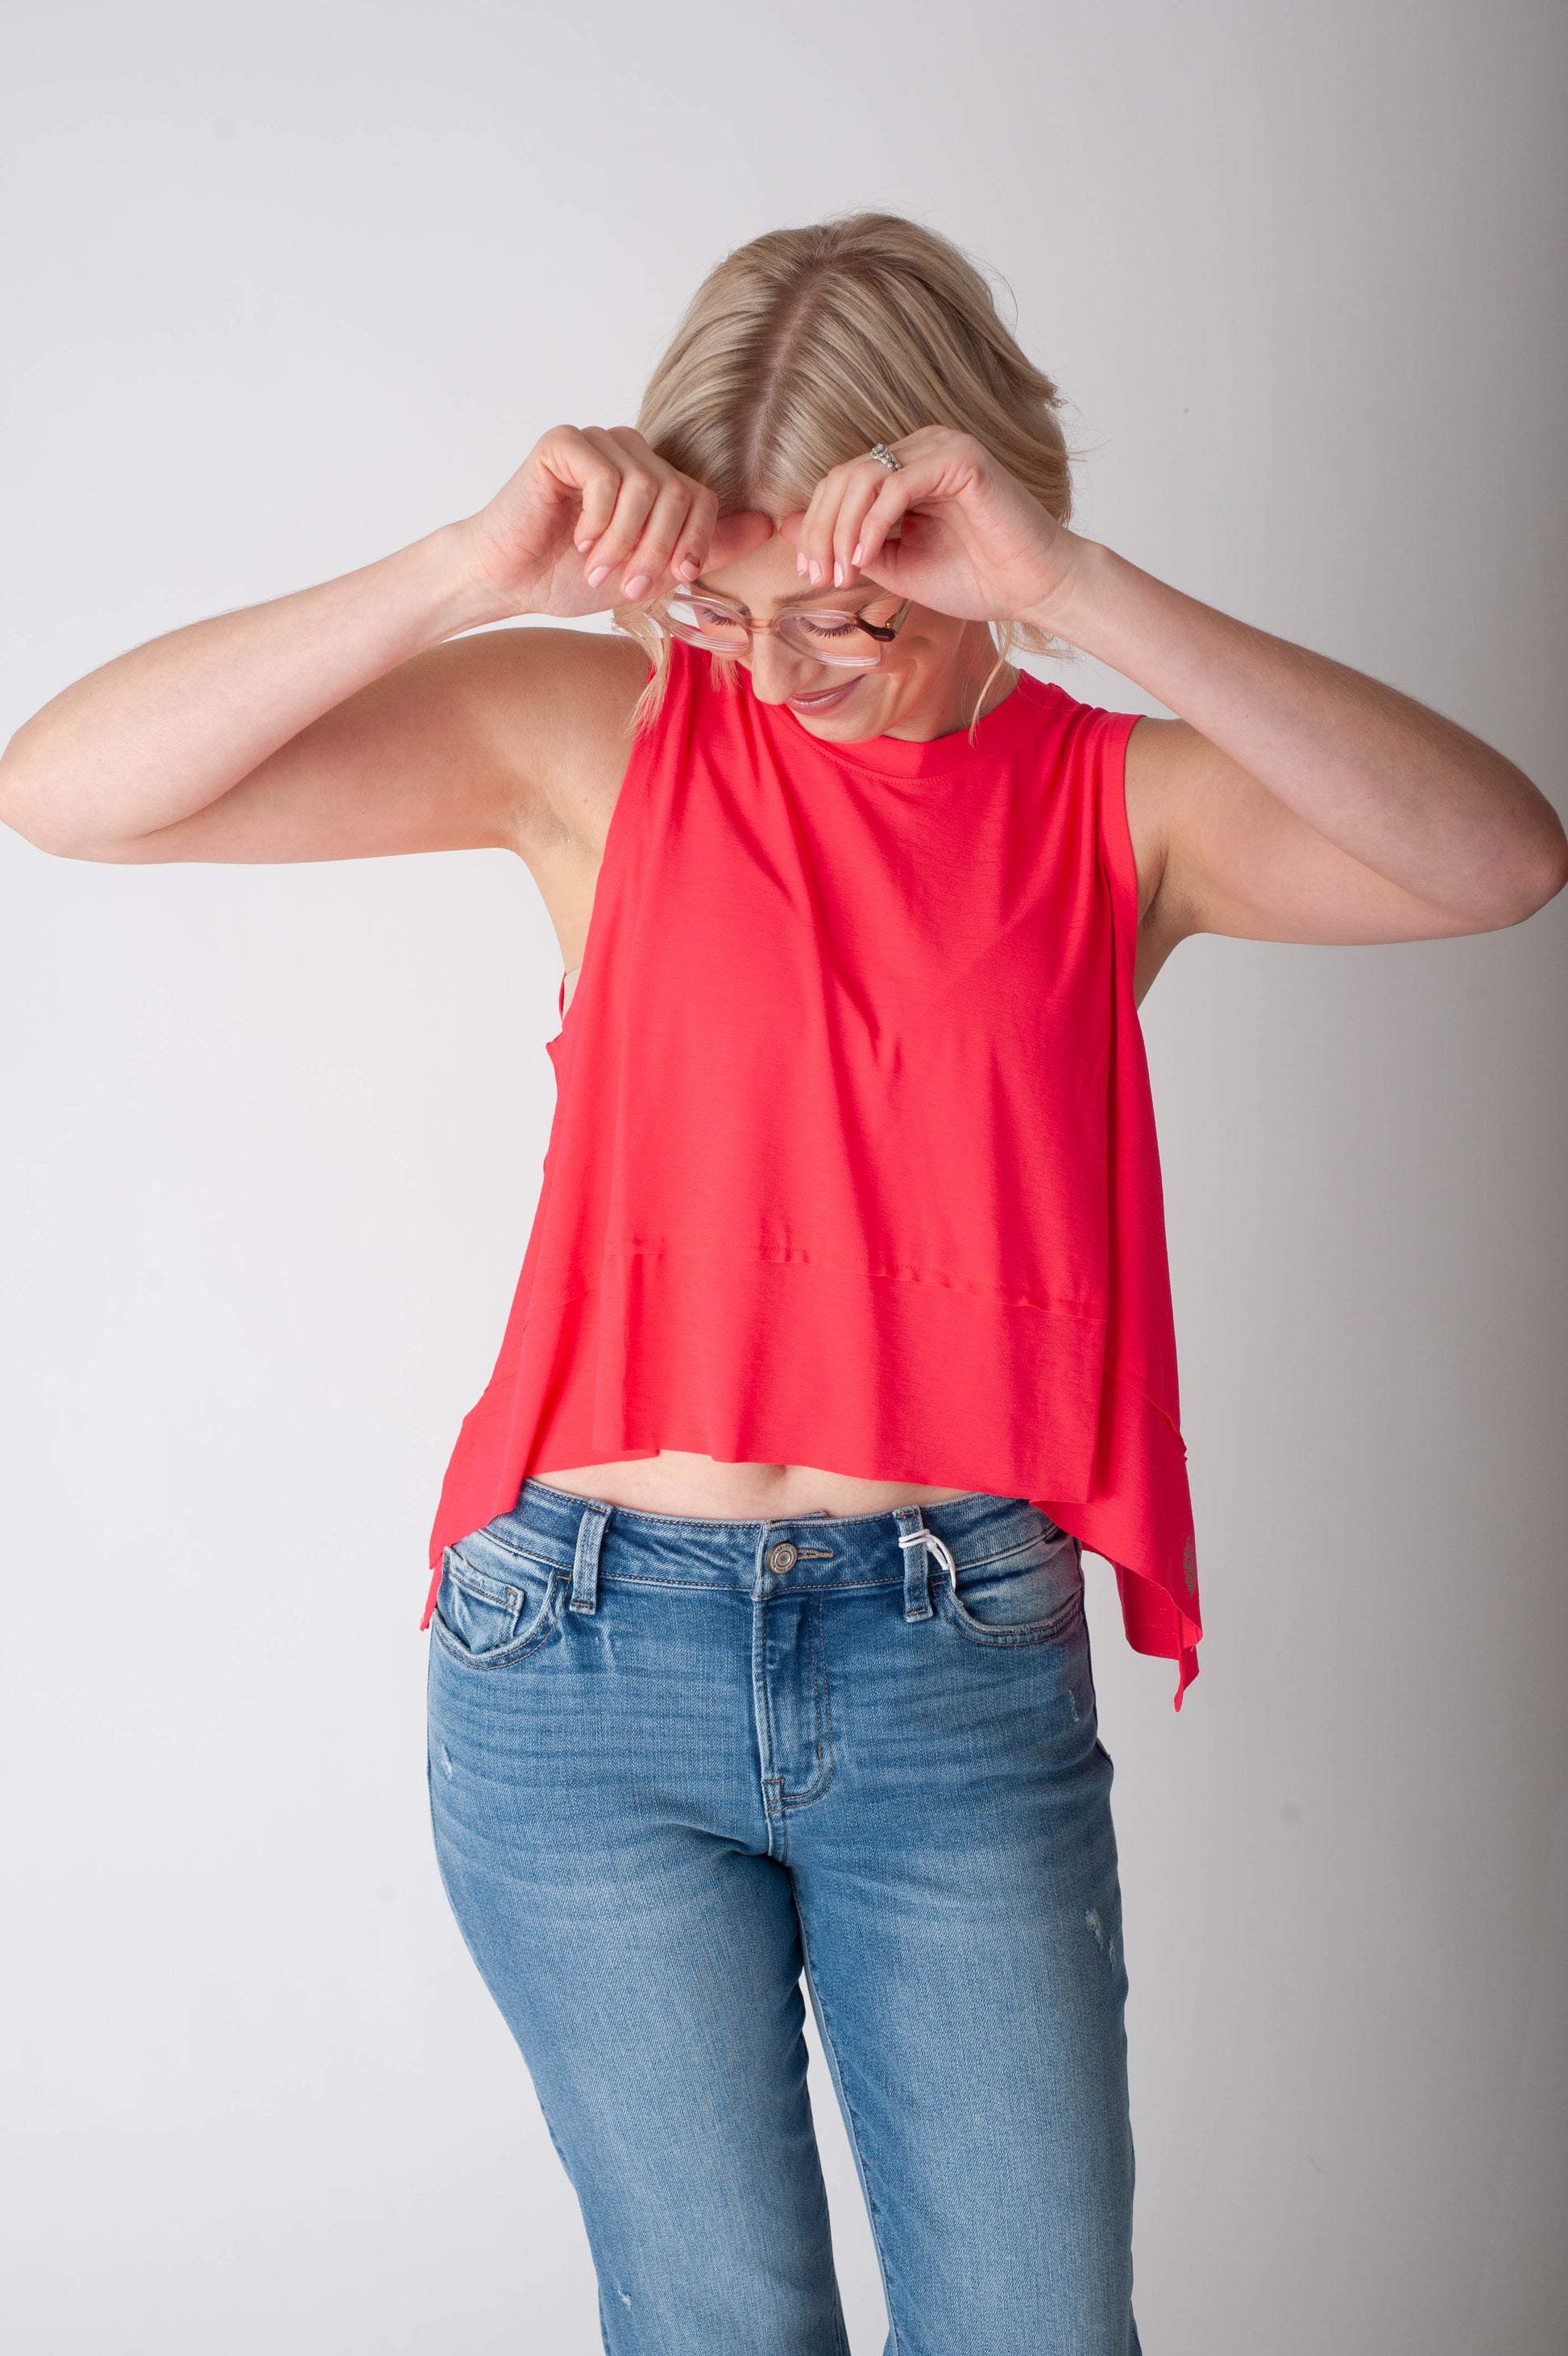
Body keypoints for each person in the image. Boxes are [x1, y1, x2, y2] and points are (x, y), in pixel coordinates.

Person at [2, 212, 1562, 2356]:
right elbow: (66, 792)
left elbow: (1500, 858)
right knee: (713, 2324)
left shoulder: (1116, 808)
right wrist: (465, 566)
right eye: (732, 608)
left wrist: (1077, 594)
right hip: (574, 1661)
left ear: (966, 524)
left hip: (947, 1666)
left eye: (843, 610)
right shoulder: (603, 736)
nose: (787, 669)